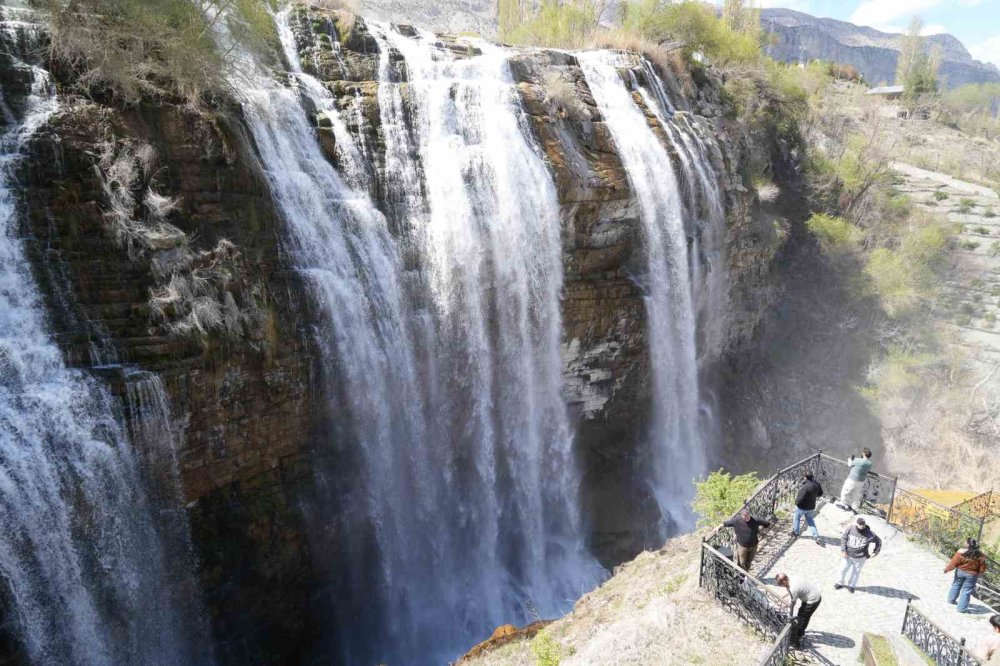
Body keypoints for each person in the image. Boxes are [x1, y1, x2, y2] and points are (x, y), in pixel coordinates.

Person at [834, 516, 881, 592]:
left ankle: (851, 585)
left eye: (863, 524)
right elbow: (844, 538)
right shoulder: (850, 528)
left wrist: (875, 552)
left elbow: (879, 541)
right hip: (848, 554)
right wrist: (843, 550)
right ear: (856, 524)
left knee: (856, 572)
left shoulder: (870, 534)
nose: (862, 526)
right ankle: (840, 583)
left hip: (860, 557)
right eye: (860, 524)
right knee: (843, 569)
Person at [776, 572, 822, 647]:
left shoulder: (794, 588)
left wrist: (780, 606)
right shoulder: (790, 577)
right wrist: (781, 598)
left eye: (781, 584)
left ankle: (796, 640)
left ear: (784, 581)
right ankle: (800, 631)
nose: (781, 586)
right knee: (802, 616)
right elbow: (789, 592)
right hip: (814, 594)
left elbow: (791, 604)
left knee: (802, 619)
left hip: (812, 600)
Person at [945, 537, 988, 613]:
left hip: (960, 572)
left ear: (968, 544)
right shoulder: (980, 555)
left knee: (956, 585)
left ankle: (951, 600)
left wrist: (948, 569)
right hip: (972, 575)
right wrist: (979, 573)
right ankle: (961, 609)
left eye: (966, 542)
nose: (964, 543)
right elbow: (982, 568)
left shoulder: (961, 552)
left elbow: (954, 562)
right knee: (966, 591)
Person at [722, 508, 772, 573]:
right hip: (742, 547)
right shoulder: (737, 520)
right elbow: (725, 524)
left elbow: (766, 523)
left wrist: (759, 529)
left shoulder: (755, 519)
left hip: (753, 546)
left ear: (749, 515)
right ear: (742, 516)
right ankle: (741, 576)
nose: (746, 518)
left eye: (747, 516)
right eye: (744, 517)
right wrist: (718, 527)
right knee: (742, 563)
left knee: (749, 561)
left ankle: (746, 575)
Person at [837, 448, 873, 513]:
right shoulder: (870, 463)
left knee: (845, 491)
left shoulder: (859, 460)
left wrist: (849, 459)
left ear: (864, 454)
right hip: (861, 481)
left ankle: (844, 504)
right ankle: (855, 508)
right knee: (856, 494)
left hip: (852, 479)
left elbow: (849, 464)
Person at [792, 472, 823, 543]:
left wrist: (796, 503)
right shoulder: (817, 485)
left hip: (802, 507)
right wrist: (814, 496)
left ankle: (796, 532)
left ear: (805, 477)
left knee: (796, 518)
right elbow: (820, 493)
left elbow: (800, 498)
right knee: (810, 521)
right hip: (811, 507)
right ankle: (816, 536)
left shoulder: (805, 486)